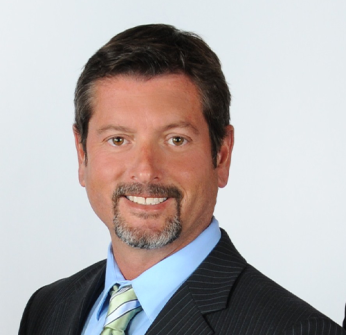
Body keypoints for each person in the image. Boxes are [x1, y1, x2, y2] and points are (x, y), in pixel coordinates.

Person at [19, 24, 345, 335]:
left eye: (176, 140)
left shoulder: (296, 329)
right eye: (118, 140)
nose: (145, 171)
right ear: (82, 155)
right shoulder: (46, 309)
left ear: (221, 155)